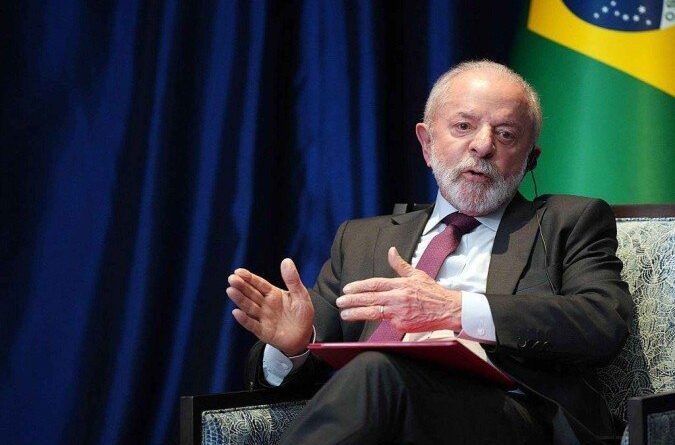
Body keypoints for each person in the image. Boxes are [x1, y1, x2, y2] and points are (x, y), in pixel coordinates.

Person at [226, 60, 632, 445]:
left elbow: (602, 320)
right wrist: (292, 346)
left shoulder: (568, 223)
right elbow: (307, 378)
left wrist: (457, 309)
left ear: (530, 160)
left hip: (514, 419)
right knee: (376, 377)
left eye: (506, 134)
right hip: (389, 416)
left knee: (378, 371)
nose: (483, 146)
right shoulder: (362, 239)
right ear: (426, 143)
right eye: (463, 126)